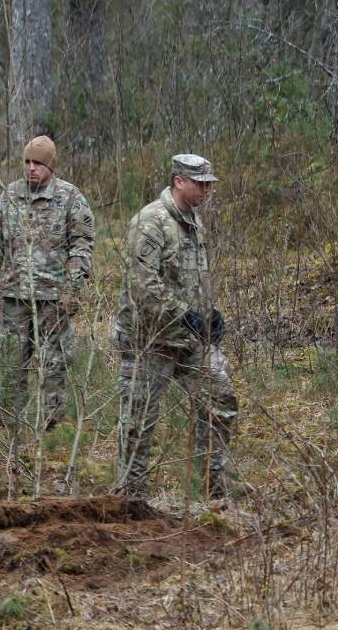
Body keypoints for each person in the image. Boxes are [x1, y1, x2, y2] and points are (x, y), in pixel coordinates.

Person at [114, 153, 240, 499]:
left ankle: (210, 489)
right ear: (178, 182)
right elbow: (142, 285)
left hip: (188, 341)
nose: (205, 190)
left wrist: (209, 313)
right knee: (138, 422)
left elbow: (192, 277)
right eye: (199, 184)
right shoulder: (151, 221)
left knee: (221, 400)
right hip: (149, 340)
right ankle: (131, 498)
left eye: (208, 184)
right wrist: (185, 313)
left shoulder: (192, 220)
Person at [0, 135, 95, 432]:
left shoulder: (70, 198)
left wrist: (73, 289)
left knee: (54, 365)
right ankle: (8, 428)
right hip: (15, 297)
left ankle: (51, 428)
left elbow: (82, 246)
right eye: (27, 162)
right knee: (11, 363)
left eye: (38, 164)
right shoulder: (10, 195)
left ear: (50, 166)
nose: (31, 169)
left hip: (53, 300)